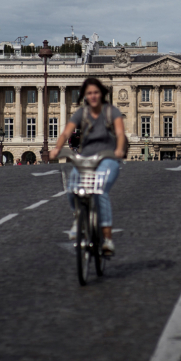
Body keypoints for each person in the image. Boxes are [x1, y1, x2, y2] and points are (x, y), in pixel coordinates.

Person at [50, 77, 126, 256]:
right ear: (85, 95)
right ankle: (78, 217)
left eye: (96, 92)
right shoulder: (81, 113)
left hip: (108, 156)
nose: (93, 96)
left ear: (102, 94)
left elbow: (120, 133)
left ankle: (107, 238)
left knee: (100, 191)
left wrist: (119, 150)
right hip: (87, 157)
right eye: (89, 93)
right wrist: (57, 148)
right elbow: (66, 132)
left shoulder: (111, 112)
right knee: (71, 188)